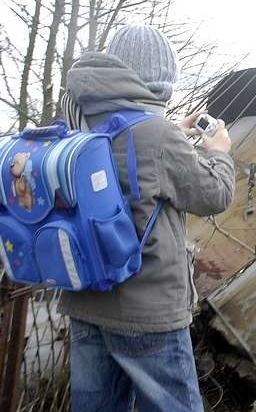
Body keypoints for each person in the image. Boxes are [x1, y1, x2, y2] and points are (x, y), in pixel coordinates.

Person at [58, 25, 236, 412]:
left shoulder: (77, 121)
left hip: (85, 303)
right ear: (160, 83)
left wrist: (171, 131)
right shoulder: (156, 136)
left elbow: (125, 158)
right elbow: (215, 194)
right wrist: (219, 151)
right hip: (146, 312)